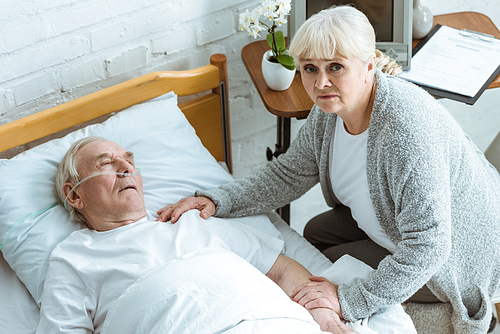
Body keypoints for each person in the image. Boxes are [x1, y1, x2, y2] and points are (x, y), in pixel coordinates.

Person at [157, 5, 500, 334]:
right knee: (317, 236)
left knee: (330, 274)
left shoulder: (405, 132)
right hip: (407, 229)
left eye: (336, 67)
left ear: (368, 66)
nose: (320, 83)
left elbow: (429, 247)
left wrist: (347, 299)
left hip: (461, 253)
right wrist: (219, 201)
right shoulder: (329, 112)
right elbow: (289, 173)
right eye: (310, 68)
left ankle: (450, 317)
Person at [37, 136, 357, 334]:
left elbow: (282, 268)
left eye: (129, 161)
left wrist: (325, 320)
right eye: (106, 163)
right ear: (75, 195)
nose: (126, 168)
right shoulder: (74, 258)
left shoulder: (190, 220)